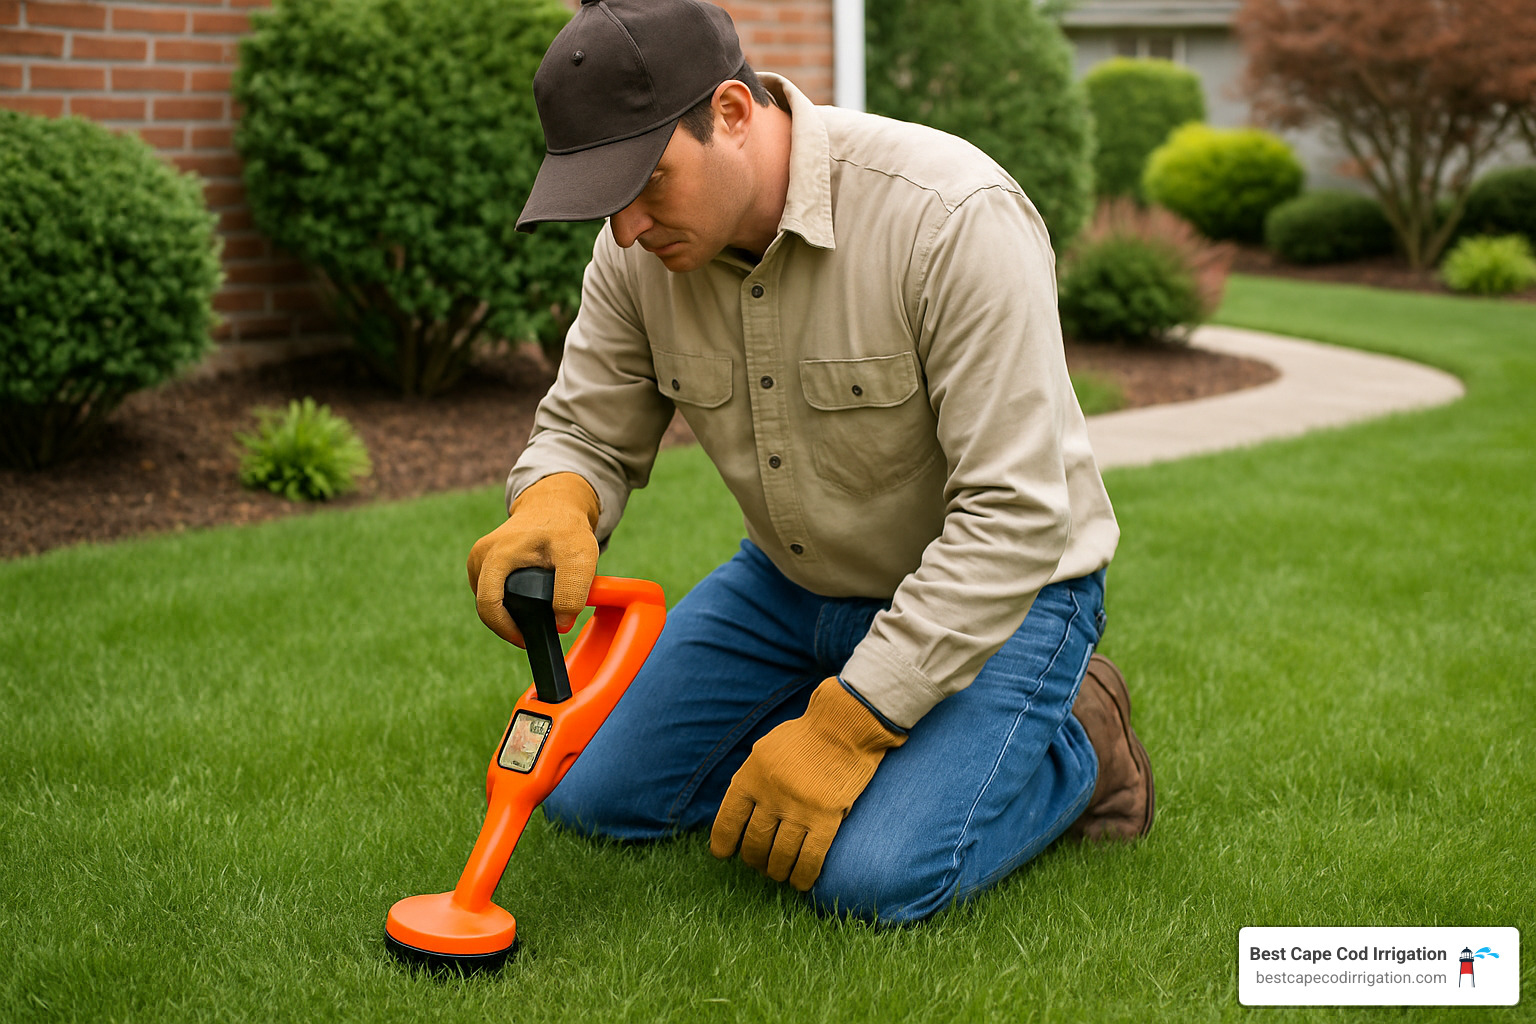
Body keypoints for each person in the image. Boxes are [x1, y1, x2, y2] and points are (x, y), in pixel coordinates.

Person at [466, 0, 1154, 924]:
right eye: (602, 196)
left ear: (734, 113)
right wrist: (552, 502)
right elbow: (587, 432)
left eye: (647, 180)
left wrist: (846, 729)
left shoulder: (950, 217)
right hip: (788, 588)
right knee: (597, 802)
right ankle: (862, 727)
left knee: (867, 880)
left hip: (1009, 595)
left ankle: (1081, 744)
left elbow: (1016, 516)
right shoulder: (637, 251)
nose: (625, 228)